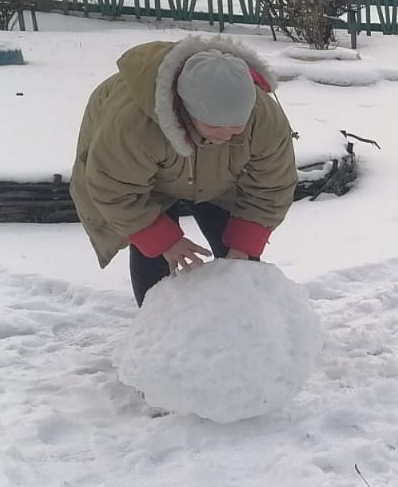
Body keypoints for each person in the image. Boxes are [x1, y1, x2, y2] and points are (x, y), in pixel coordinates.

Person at [71, 36, 297, 306]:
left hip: (221, 175)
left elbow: (272, 185)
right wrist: (164, 240)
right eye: (215, 128)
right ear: (187, 112)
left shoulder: (263, 117)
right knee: (155, 252)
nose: (226, 136)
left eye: (237, 129)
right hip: (144, 182)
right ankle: (159, 327)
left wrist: (244, 245)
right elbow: (115, 189)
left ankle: (242, 327)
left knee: (241, 259)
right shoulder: (133, 125)